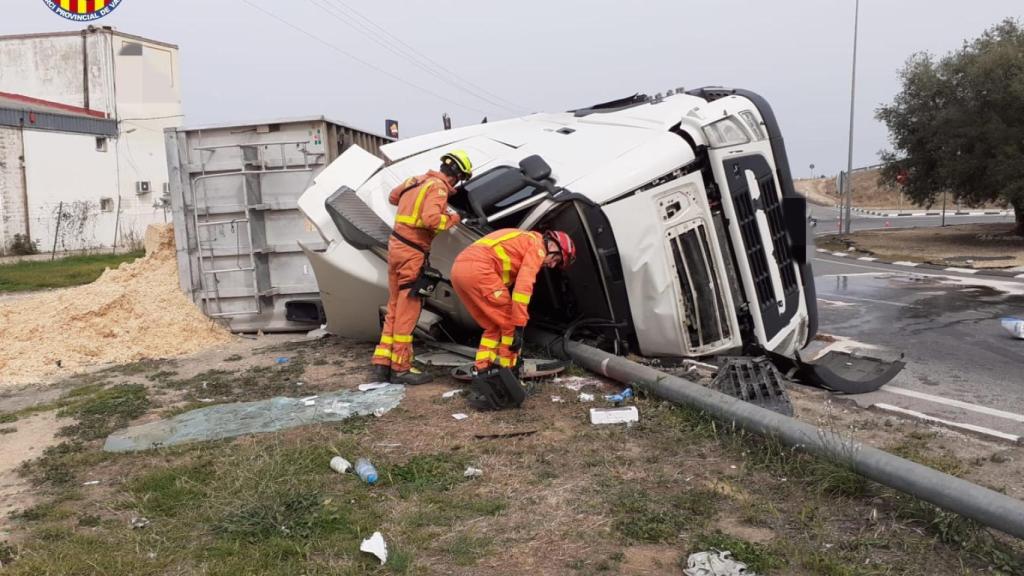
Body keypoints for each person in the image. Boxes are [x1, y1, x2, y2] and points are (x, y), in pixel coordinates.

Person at [371, 150, 473, 385]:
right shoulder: (438, 188)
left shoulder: (416, 180)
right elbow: (431, 220)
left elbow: (393, 197)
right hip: (412, 253)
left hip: (396, 247)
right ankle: (401, 367)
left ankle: (382, 363)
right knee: (409, 310)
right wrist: (454, 218)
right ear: (456, 175)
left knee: (395, 306)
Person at [450, 229, 576, 373]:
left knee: (493, 325)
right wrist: (519, 324)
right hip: (481, 271)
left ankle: (481, 368)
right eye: (556, 260)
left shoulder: (523, 238)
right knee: (509, 323)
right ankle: (509, 370)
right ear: (553, 246)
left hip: (458, 271)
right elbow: (523, 287)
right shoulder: (537, 247)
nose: (552, 265)